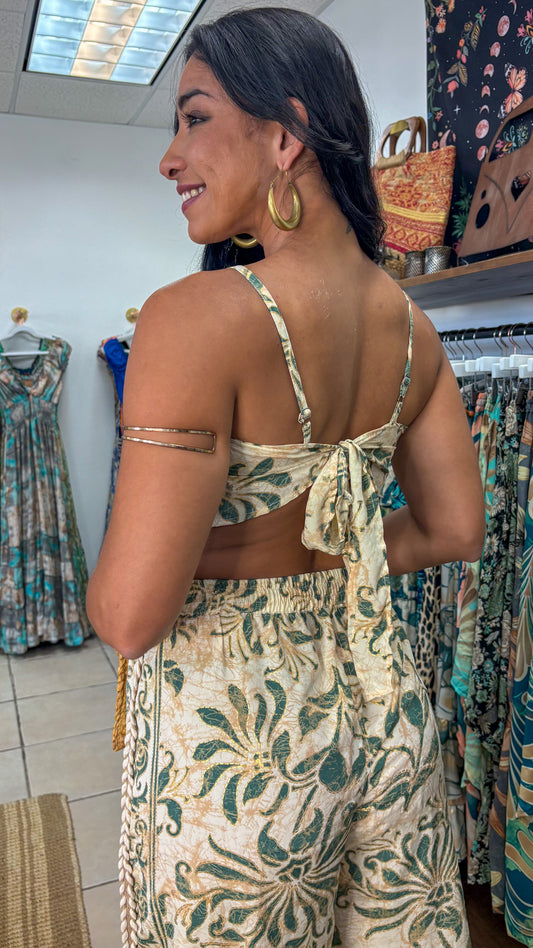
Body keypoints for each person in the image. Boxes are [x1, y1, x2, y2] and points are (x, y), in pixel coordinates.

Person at [86, 7, 484, 946]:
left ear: (285, 135)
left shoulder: (193, 318)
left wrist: (217, 554)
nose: (169, 159)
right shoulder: (412, 329)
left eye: (193, 118)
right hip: (383, 716)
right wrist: (324, 546)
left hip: (241, 754)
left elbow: (130, 616)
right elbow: (452, 528)